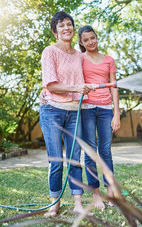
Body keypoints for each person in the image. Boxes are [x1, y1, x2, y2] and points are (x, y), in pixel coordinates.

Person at [39, 11, 91, 217]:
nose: (66, 28)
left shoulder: (80, 55)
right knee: (56, 160)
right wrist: (77, 88)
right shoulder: (49, 52)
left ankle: (77, 202)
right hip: (52, 110)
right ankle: (55, 203)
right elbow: (50, 84)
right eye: (61, 25)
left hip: (74, 112)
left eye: (69, 24)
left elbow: (91, 74)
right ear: (55, 31)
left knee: (74, 157)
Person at [78, 25, 121, 209]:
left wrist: (116, 113)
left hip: (105, 110)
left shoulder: (109, 60)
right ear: (81, 42)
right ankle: (96, 195)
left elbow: (114, 87)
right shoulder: (79, 59)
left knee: (105, 151)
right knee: (90, 152)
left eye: (92, 38)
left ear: (97, 37)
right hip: (86, 108)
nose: (90, 42)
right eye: (86, 40)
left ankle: (110, 192)